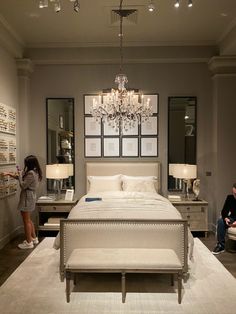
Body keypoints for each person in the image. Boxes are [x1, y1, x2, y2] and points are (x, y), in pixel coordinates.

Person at [5, 155, 42, 249]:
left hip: (27, 198)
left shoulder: (31, 173)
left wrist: (20, 175)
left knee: (26, 221)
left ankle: (29, 242)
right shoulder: (35, 172)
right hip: (30, 197)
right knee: (29, 219)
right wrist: (12, 175)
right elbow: (24, 181)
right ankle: (34, 238)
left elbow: (23, 186)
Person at [212, 183, 236, 254]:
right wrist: (225, 218)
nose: (234, 196)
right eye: (234, 193)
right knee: (220, 221)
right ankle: (221, 246)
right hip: (232, 218)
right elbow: (224, 211)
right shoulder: (230, 198)